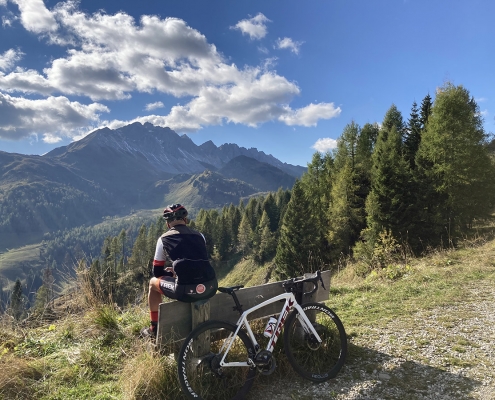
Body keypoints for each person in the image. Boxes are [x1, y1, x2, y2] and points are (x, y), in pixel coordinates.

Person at [141, 204, 218, 339]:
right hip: (210, 287)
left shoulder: (163, 239)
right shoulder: (200, 236)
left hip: (185, 291)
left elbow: (157, 272)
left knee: (152, 283)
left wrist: (171, 274)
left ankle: (154, 328)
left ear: (167, 224)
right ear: (186, 220)